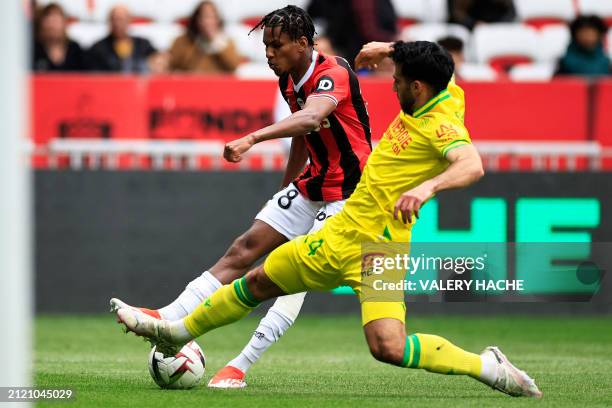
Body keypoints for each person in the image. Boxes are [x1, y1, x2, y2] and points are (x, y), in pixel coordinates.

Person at [115, 40, 542, 398]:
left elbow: (471, 165)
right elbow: (434, 63)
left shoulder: (441, 125)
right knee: (385, 345)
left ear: (417, 86)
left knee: (263, 284)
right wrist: (390, 48)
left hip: (351, 241)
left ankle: (176, 333)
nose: (391, 85)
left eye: (396, 80)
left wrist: (426, 188)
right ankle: (488, 368)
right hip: (383, 248)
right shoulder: (447, 91)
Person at [111, 5, 371, 389]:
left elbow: (312, 118)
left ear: (302, 43)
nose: (269, 53)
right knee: (244, 248)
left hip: (351, 194)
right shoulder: (288, 79)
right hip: (314, 184)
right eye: (266, 45)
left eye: (276, 45)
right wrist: (287, 187)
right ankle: (166, 318)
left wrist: (251, 137)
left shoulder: (333, 73)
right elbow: (303, 136)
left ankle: (239, 365)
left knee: (291, 274)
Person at [308, 0, 397, 67]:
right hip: (340, 50)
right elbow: (311, 22)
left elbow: (392, 28)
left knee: (391, 56)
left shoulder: (382, 3)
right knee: (320, 47)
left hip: (374, 49)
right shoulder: (325, 3)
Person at [168, 1, 242, 73]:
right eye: (205, 17)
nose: (208, 22)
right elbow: (174, 66)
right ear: (196, 19)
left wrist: (216, 42)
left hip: (217, 84)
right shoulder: (182, 41)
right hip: (189, 83)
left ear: (218, 20)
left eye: (213, 17)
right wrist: (196, 42)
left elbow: (233, 66)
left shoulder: (227, 42)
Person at [87, 5, 157, 73]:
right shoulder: (98, 48)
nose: (118, 24)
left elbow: (156, 64)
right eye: (114, 19)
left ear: (129, 20)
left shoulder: (144, 45)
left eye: (121, 19)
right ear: (109, 21)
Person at [33, 3, 85, 71]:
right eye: (49, 21)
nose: (52, 25)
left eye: (56, 21)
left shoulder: (75, 50)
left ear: (64, 24)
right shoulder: (34, 50)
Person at [448, 0, 516, 30]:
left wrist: (496, 25)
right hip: (469, 29)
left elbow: (511, 13)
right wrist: (474, 24)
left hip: (498, 28)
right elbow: (456, 14)